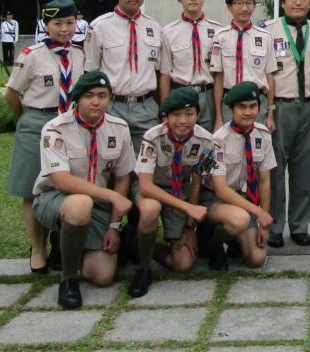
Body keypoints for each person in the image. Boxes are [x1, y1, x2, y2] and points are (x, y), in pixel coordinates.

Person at [32, 71, 135, 309]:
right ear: (77, 99)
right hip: (55, 198)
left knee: (102, 276)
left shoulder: (119, 128)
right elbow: (62, 181)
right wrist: (112, 196)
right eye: (89, 96)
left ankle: (71, 246)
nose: (96, 102)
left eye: (102, 95)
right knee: (80, 205)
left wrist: (113, 226)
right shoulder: (56, 128)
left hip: (96, 203)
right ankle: (68, 280)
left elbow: (122, 177)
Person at [5, 0, 85, 274]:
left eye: (69, 23)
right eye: (57, 23)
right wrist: (27, 119)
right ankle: (38, 248)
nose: (64, 29)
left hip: (69, 123)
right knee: (31, 187)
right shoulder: (32, 55)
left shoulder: (79, 54)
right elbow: (11, 94)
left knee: (67, 183)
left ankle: (61, 243)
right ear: (46, 25)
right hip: (38, 120)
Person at [128, 87, 218, 297]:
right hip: (152, 189)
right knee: (150, 209)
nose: (183, 121)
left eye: (189, 114)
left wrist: (189, 229)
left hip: (180, 191)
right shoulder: (152, 136)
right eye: (176, 115)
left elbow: (196, 181)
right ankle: (144, 269)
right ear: (165, 117)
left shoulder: (207, 142)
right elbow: (145, 185)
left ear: (198, 114)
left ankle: (136, 244)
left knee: (184, 263)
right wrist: (188, 207)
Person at [261, 0, 310, 248]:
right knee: (275, 170)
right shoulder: (267, 31)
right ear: (283, 2)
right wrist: (270, 110)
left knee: (304, 170)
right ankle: (275, 225)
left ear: (309, 3)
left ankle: (299, 225)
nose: (298, 2)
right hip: (281, 107)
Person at [83, 0, 162, 153]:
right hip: (112, 105)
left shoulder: (154, 26)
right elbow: (91, 71)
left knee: (145, 161)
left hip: (146, 107)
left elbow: (158, 70)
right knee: (108, 157)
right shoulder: (100, 26)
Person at [206, 81, 276, 270]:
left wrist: (264, 223)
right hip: (214, 199)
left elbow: (264, 180)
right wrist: (258, 212)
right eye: (242, 107)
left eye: (253, 106)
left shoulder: (263, 135)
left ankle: (234, 237)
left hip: (240, 198)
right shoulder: (218, 139)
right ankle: (212, 244)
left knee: (257, 258)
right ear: (231, 109)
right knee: (239, 220)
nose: (248, 112)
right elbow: (220, 190)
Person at [159, 0, 223, 133]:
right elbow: (165, 74)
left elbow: (219, 74)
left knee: (208, 142)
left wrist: (219, 114)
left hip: (207, 94)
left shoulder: (217, 31)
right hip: (179, 92)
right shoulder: (168, 32)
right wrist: (164, 110)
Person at [210, 0, 275, 129]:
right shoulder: (220, 37)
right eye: (239, 3)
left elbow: (269, 76)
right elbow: (219, 78)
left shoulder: (265, 37)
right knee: (229, 147)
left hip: (257, 101)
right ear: (229, 7)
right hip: (230, 102)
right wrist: (219, 118)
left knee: (257, 146)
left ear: (254, 6)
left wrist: (271, 113)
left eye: (248, 3)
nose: (244, 8)